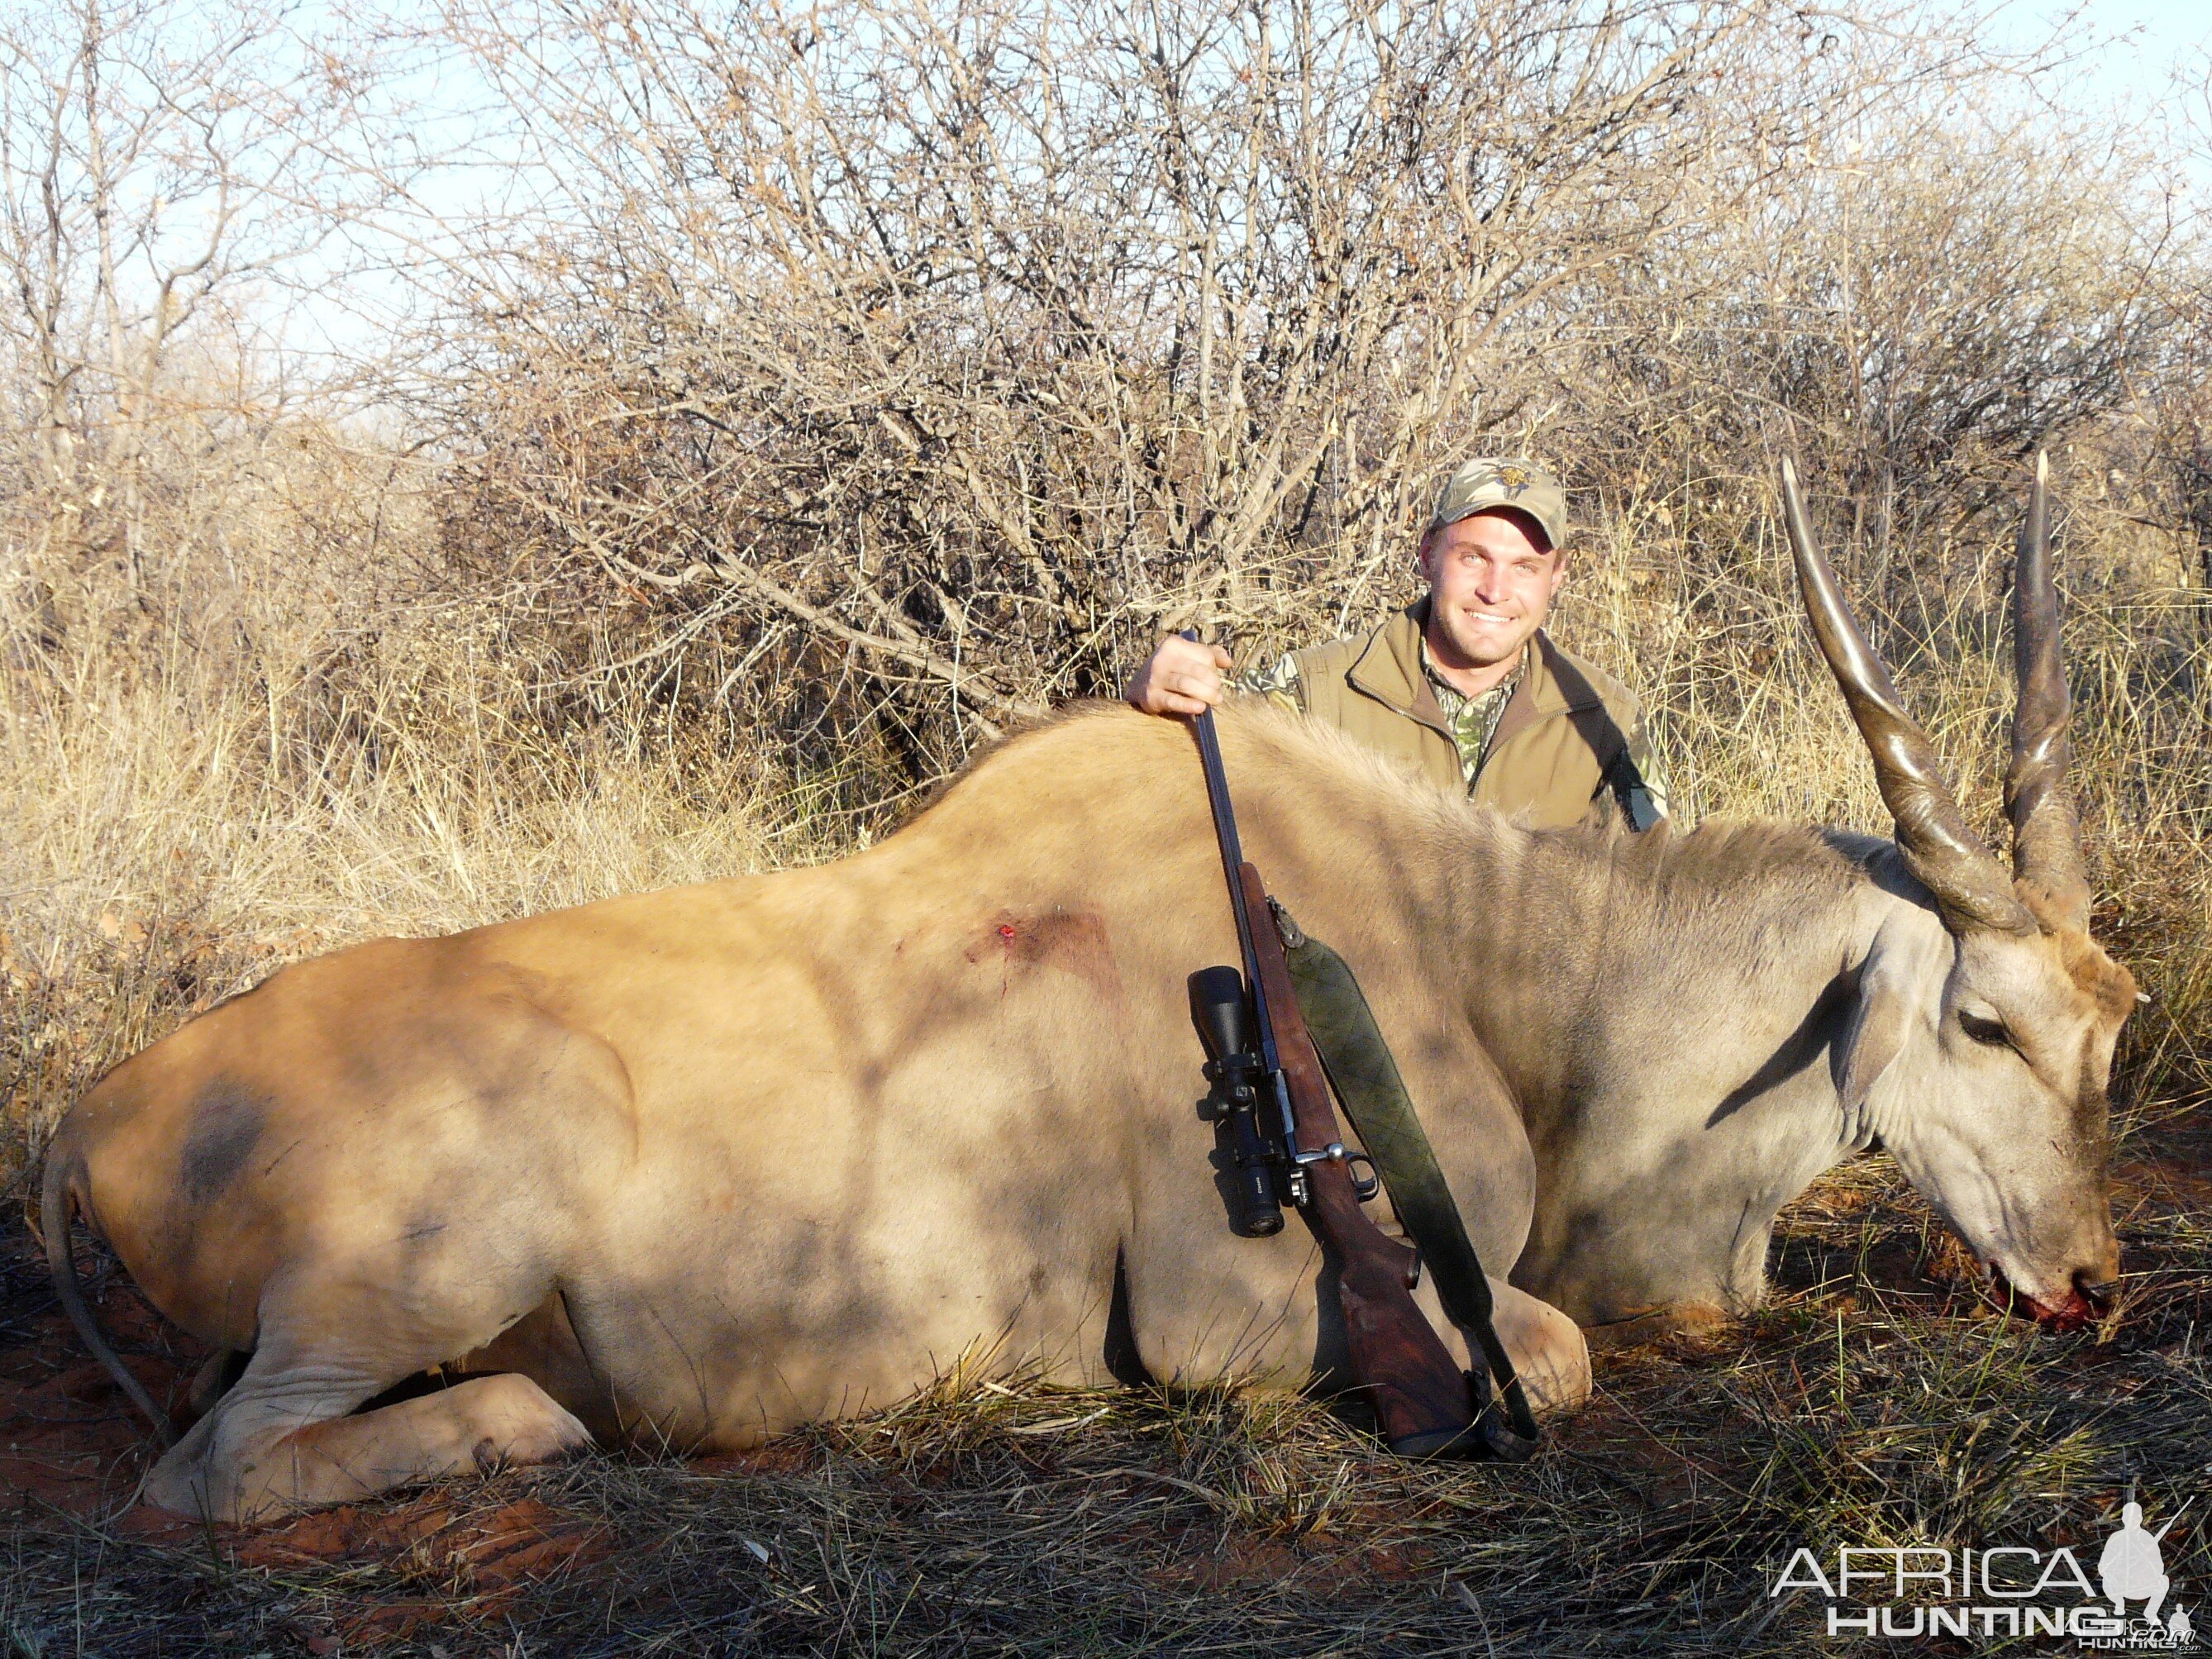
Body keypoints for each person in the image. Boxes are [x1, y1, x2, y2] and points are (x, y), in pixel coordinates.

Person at [1123, 457, 1667, 829]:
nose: (1495, 591)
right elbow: (1175, 789)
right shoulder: (1317, 691)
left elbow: (1651, 895)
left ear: (1558, 577)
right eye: (1473, 557)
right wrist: (1151, 706)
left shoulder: (1607, 718)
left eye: (1525, 567)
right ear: (1428, 552)